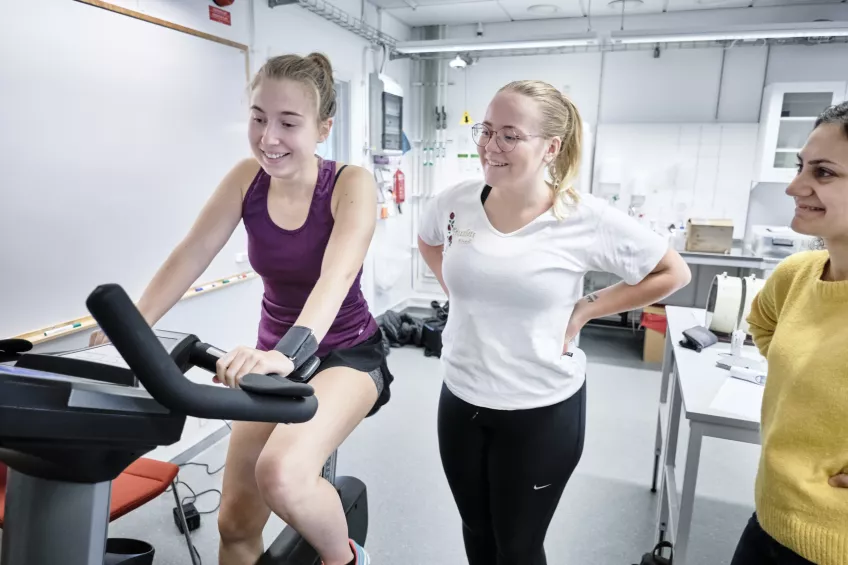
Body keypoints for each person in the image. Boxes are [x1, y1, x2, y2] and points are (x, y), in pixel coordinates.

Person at [90, 52, 389, 565]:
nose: (268, 137)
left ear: (323, 128)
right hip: (274, 355)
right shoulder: (246, 179)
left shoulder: (349, 184)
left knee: (283, 475)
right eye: (258, 117)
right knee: (234, 524)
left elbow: (336, 277)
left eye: (288, 123)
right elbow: (192, 251)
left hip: (347, 355)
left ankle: (346, 559)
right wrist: (133, 328)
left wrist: (288, 353)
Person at [417, 79, 691, 565]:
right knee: (477, 533)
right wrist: (460, 291)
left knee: (518, 548)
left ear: (551, 147)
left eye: (509, 134)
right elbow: (428, 240)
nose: (489, 145)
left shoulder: (583, 217)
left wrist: (588, 307)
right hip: (460, 397)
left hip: (539, 408)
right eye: (485, 130)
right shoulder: (456, 201)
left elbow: (673, 271)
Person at [728, 101, 848, 565]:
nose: (795, 186)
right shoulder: (798, 274)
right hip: (770, 521)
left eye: (823, 173)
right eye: (801, 167)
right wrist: (799, 369)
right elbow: (762, 323)